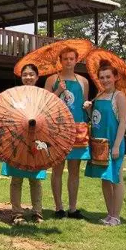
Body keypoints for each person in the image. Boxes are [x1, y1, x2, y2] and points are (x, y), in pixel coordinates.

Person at [44, 47, 90, 219]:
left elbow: (84, 104)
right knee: (57, 168)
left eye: (71, 58)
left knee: (74, 170)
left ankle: (72, 208)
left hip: (77, 127)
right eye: (65, 58)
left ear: (76, 60)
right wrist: (58, 91)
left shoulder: (83, 81)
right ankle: (58, 207)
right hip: (57, 128)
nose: (68, 61)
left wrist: (88, 106)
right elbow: (45, 104)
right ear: (60, 60)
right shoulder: (51, 79)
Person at [83, 61, 126, 226]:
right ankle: (109, 214)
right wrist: (88, 108)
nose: (105, 80)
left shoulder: (119, 96)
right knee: (105, 179)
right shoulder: (99, 95)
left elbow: (123, 122)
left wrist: (116, 146)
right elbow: (95, 119)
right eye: (102, 77)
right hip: (99, 144)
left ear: (115, 77)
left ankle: (116, 216)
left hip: (114, 143)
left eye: (108, 77)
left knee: (116, 179)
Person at [2, 63, 46, 224]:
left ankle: (37, 212)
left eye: (31, 74)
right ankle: (17, 213)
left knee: (35, 179)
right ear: (21, 77)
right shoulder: (15, 95)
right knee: (16, 178)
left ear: (37, 77)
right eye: (25, 74)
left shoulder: (42, 96)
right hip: (17, 139)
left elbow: (47, 115)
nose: (28, 77)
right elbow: (8, 114)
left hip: (36, 138)